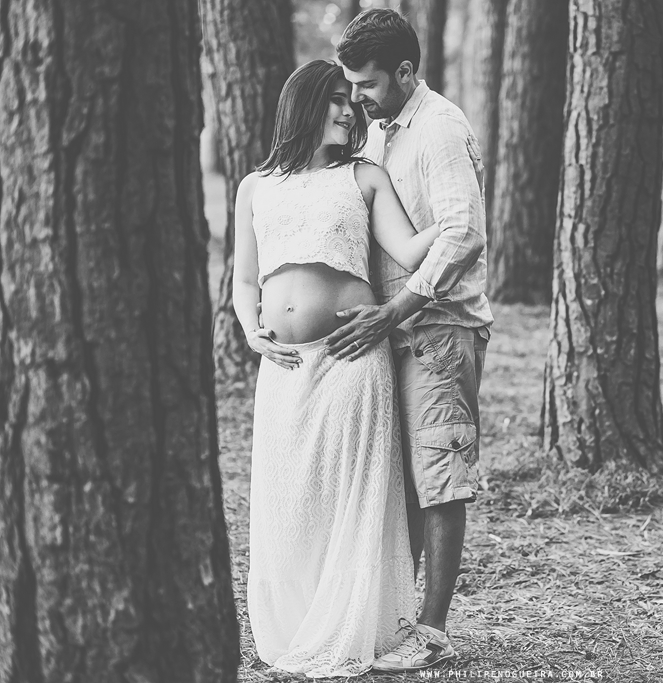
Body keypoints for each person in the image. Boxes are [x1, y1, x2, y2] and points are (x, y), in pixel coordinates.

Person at [232, 59, 441, 678]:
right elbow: (246, 279)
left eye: (353, 101)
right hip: (284, 368)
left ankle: (351, 625)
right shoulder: (255, 185)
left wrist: (456, 216)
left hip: (352, 361)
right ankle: (299, 623)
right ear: (303, 105)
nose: (350, 112)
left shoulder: (364, 177)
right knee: (292, 502)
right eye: (336, 101)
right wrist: (249, 331)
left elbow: (407, 248)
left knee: (350, 500)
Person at [330, 8, 494, 673]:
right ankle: (396, 617)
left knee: (438, 476)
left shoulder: (439, 129)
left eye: (366, 84)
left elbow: (464, 232)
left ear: (405, 71)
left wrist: (398, 305)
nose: (356, 97)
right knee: (397, 480)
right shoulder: (379, 134)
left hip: (438, 329)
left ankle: (431, 630)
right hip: (392, 332)